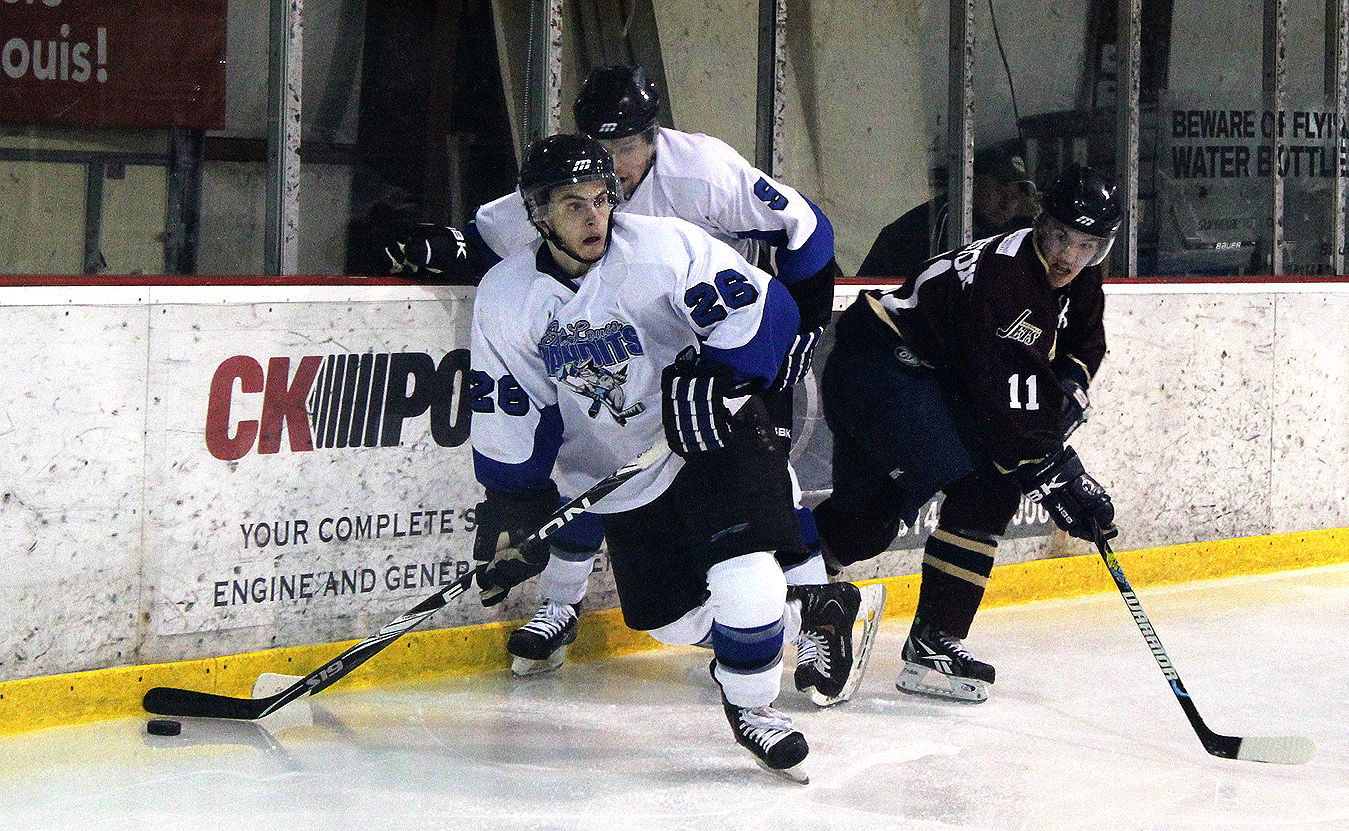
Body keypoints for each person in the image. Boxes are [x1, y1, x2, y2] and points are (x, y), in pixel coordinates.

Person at [390, 65, 843, 683]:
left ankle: (818, 614)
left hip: (724, 357)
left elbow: (806, 231)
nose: (613, 165)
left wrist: (797, 330)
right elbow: (484, 240)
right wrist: (439, 249)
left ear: (653, 136)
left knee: (768, 496)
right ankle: (584, 606)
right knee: (587, 467)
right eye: (602, 147)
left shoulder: (703, 173)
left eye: (626, 146)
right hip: (630, 376)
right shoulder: (565, 187)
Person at [468, 134, 879, 781]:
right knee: (672, 622)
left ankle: (754, 708)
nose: (594, 217)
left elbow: (766, 308)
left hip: (712, 436)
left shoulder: (663, 249)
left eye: (602, 199)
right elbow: (512, 402)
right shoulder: (505, 295)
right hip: (624, 470)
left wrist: (722, 373)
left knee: (746, 577)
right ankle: (807, 613)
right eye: (573, 204)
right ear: (537, 213)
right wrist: (513, 499)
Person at [812, 164, 1121, 704]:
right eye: (1062, 237)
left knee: (866, 524)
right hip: (882, 367)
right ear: (1041, 222)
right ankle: (936, 637)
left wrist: (1069, 387)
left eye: (1088, 246)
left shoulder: (1080, 280)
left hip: (915, 374)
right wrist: (1061, 474)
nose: (1070, 257)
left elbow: (1083, 348)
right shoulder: (1009, 280)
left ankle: (763, 595)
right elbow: (1003, 415)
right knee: (992, 480)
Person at [857, 144, 1037, 279]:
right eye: (1000, 190)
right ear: (972, 182)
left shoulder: (1008, 232)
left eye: (1014, 196)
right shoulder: (937, 223)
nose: (1006, 204)